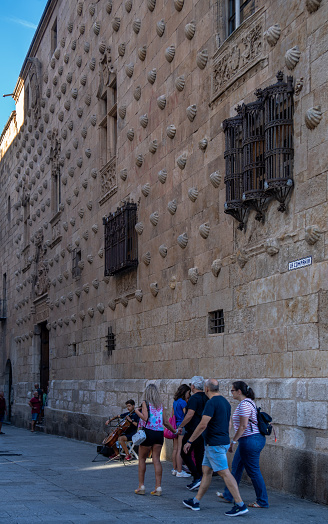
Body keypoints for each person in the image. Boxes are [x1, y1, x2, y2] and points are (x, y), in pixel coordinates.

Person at [182, 378, 249, 517]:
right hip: (219, 442)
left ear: (206, 389)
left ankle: (240, 504)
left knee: (224, 473)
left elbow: (202, 424)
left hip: (214, 444)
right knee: (206, 471)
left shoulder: (211, 403)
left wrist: (189, 441)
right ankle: (196, 501)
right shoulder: (225, 402)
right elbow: (229, 424)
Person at [218, 381, 269, 509]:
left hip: (250, 440)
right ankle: (229, 495)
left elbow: (243, 426)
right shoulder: (247, 402)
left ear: (239, 391)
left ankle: (262, 501)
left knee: (253, 471)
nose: (231, 393)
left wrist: (233, 441)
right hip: (248, 440)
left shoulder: (245, 405)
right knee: (236, 467)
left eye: (232, 390)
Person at [134, 383, 177, 496]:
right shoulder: (160, 405)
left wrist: (136, 411)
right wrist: (174, 431)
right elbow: (166, 422)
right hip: (159, 433)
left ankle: (141, 486)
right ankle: (158, 487)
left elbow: (145, 417)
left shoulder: (145, 403)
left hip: (148, 432)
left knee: (142, 459)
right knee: (156, 459)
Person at [178, 376, 208, 491]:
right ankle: (199, 477)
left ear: (193, 386)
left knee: (184, 452)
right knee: (199, 455)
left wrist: (181, 426)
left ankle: (197, 477)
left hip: (193, 431)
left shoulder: (194, 398)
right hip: (202, 430)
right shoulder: (206, 397)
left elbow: (190, 414)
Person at [171, 384, 191, 478]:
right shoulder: (183, 402)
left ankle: (175, 469)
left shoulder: (175, 402)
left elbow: (172, 415)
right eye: (188, 392)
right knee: (180, 449)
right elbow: (186, 415)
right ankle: (180, 471)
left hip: (175, 426)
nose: (189, 394)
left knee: (175, 449)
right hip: (182, 426)